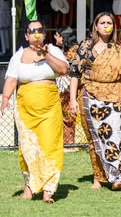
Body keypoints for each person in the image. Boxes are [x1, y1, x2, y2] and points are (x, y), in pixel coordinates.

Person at [68, 12, 121, 191]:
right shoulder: (85, 46)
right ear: (96, 26)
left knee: (116, 136)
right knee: (95, 138)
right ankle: (98, 177)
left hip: (115, 95)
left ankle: (117, 177)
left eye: (109, 23)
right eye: (102, 22)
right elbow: (75, 73)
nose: (106, 25)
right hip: (90, 94)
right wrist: (72, 100)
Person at [0, 22, 69, 203]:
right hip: (26, 109)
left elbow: (64, 70)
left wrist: (46, 54)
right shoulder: (19, 55)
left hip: (49, 108)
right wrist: (5, 98)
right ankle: (29, 186)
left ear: (44, 34)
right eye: (32, 31)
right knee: (27, 148)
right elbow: (11, 79)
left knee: (49, 146)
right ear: (26, 36)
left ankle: (48, 190)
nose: (36, 34)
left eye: (40, 30)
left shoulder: (53, 50)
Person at [53, 26, 79, 146]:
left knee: (70, 116)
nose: (55, 37)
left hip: (72, 90)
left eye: (57, 35)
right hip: (65, 90)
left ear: (63, 37)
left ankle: (71, 142)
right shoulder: (65, 51)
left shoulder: (74, 51)